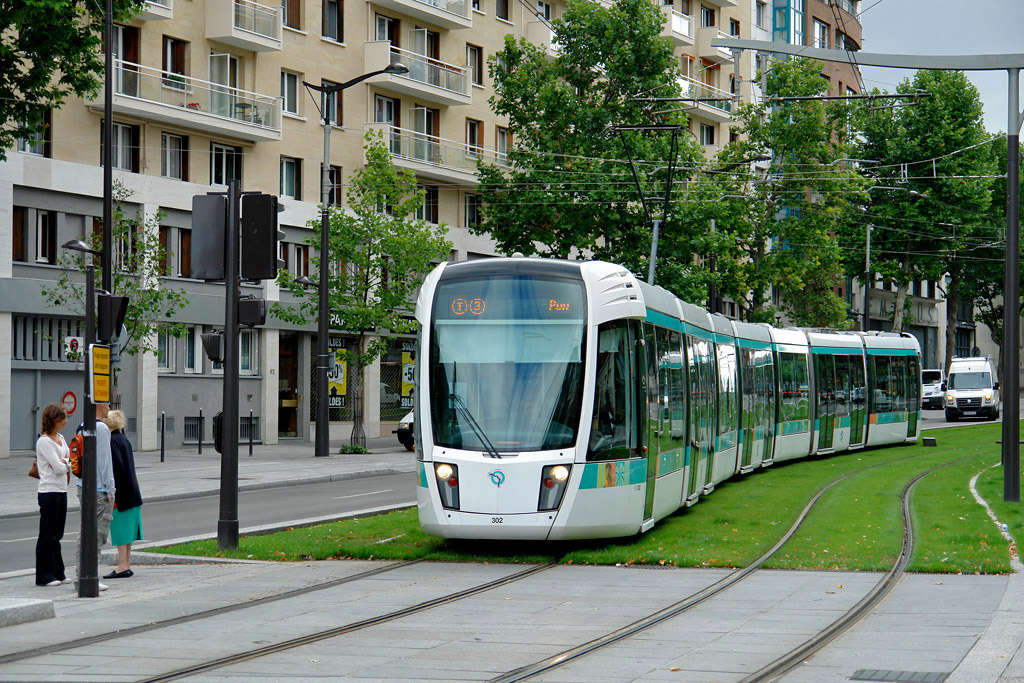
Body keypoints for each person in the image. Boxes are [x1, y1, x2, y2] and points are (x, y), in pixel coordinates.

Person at [74, 403, 116, 592]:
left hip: (83, 485)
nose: (109, 407)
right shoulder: (102, 429)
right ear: (100, 406)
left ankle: (80, 575)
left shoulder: (83, 425)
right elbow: (105, 461)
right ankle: (91, 575)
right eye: (107, 404)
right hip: (99, 488)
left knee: (84, 532)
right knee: (97, 535)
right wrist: (111, 490)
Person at [35, 403, 72, 587]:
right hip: (49, 491)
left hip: (61, 490)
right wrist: (66, 464)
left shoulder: (61, 438)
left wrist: (65, 463)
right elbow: (58, 468)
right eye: (63, 417)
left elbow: (69, 460)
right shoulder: (44, 442)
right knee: (47, 534)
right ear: (54, 419)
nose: (66, 421)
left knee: (57, 534)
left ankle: (58, 572)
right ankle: (44, 575)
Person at [104, 410, 143, 579]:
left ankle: (122, 566)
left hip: (121, 493)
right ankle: (126, 564)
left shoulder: (111, 441)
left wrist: (110, 489)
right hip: (133, 491)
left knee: (120, 530)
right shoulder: (124, 439)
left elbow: (115, 466)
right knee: (128, 532)